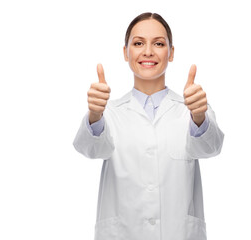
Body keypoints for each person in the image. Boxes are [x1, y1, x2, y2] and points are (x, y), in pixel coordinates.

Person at [73, 12, 224, 240]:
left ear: (171, 53)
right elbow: (91, 149)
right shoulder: (109, 112)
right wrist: (94, 114)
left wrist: (200, 116)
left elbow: (210, 148)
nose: (148, 52)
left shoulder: (191, 108)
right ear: (126, 52)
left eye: (159, 44)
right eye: (138, 43)